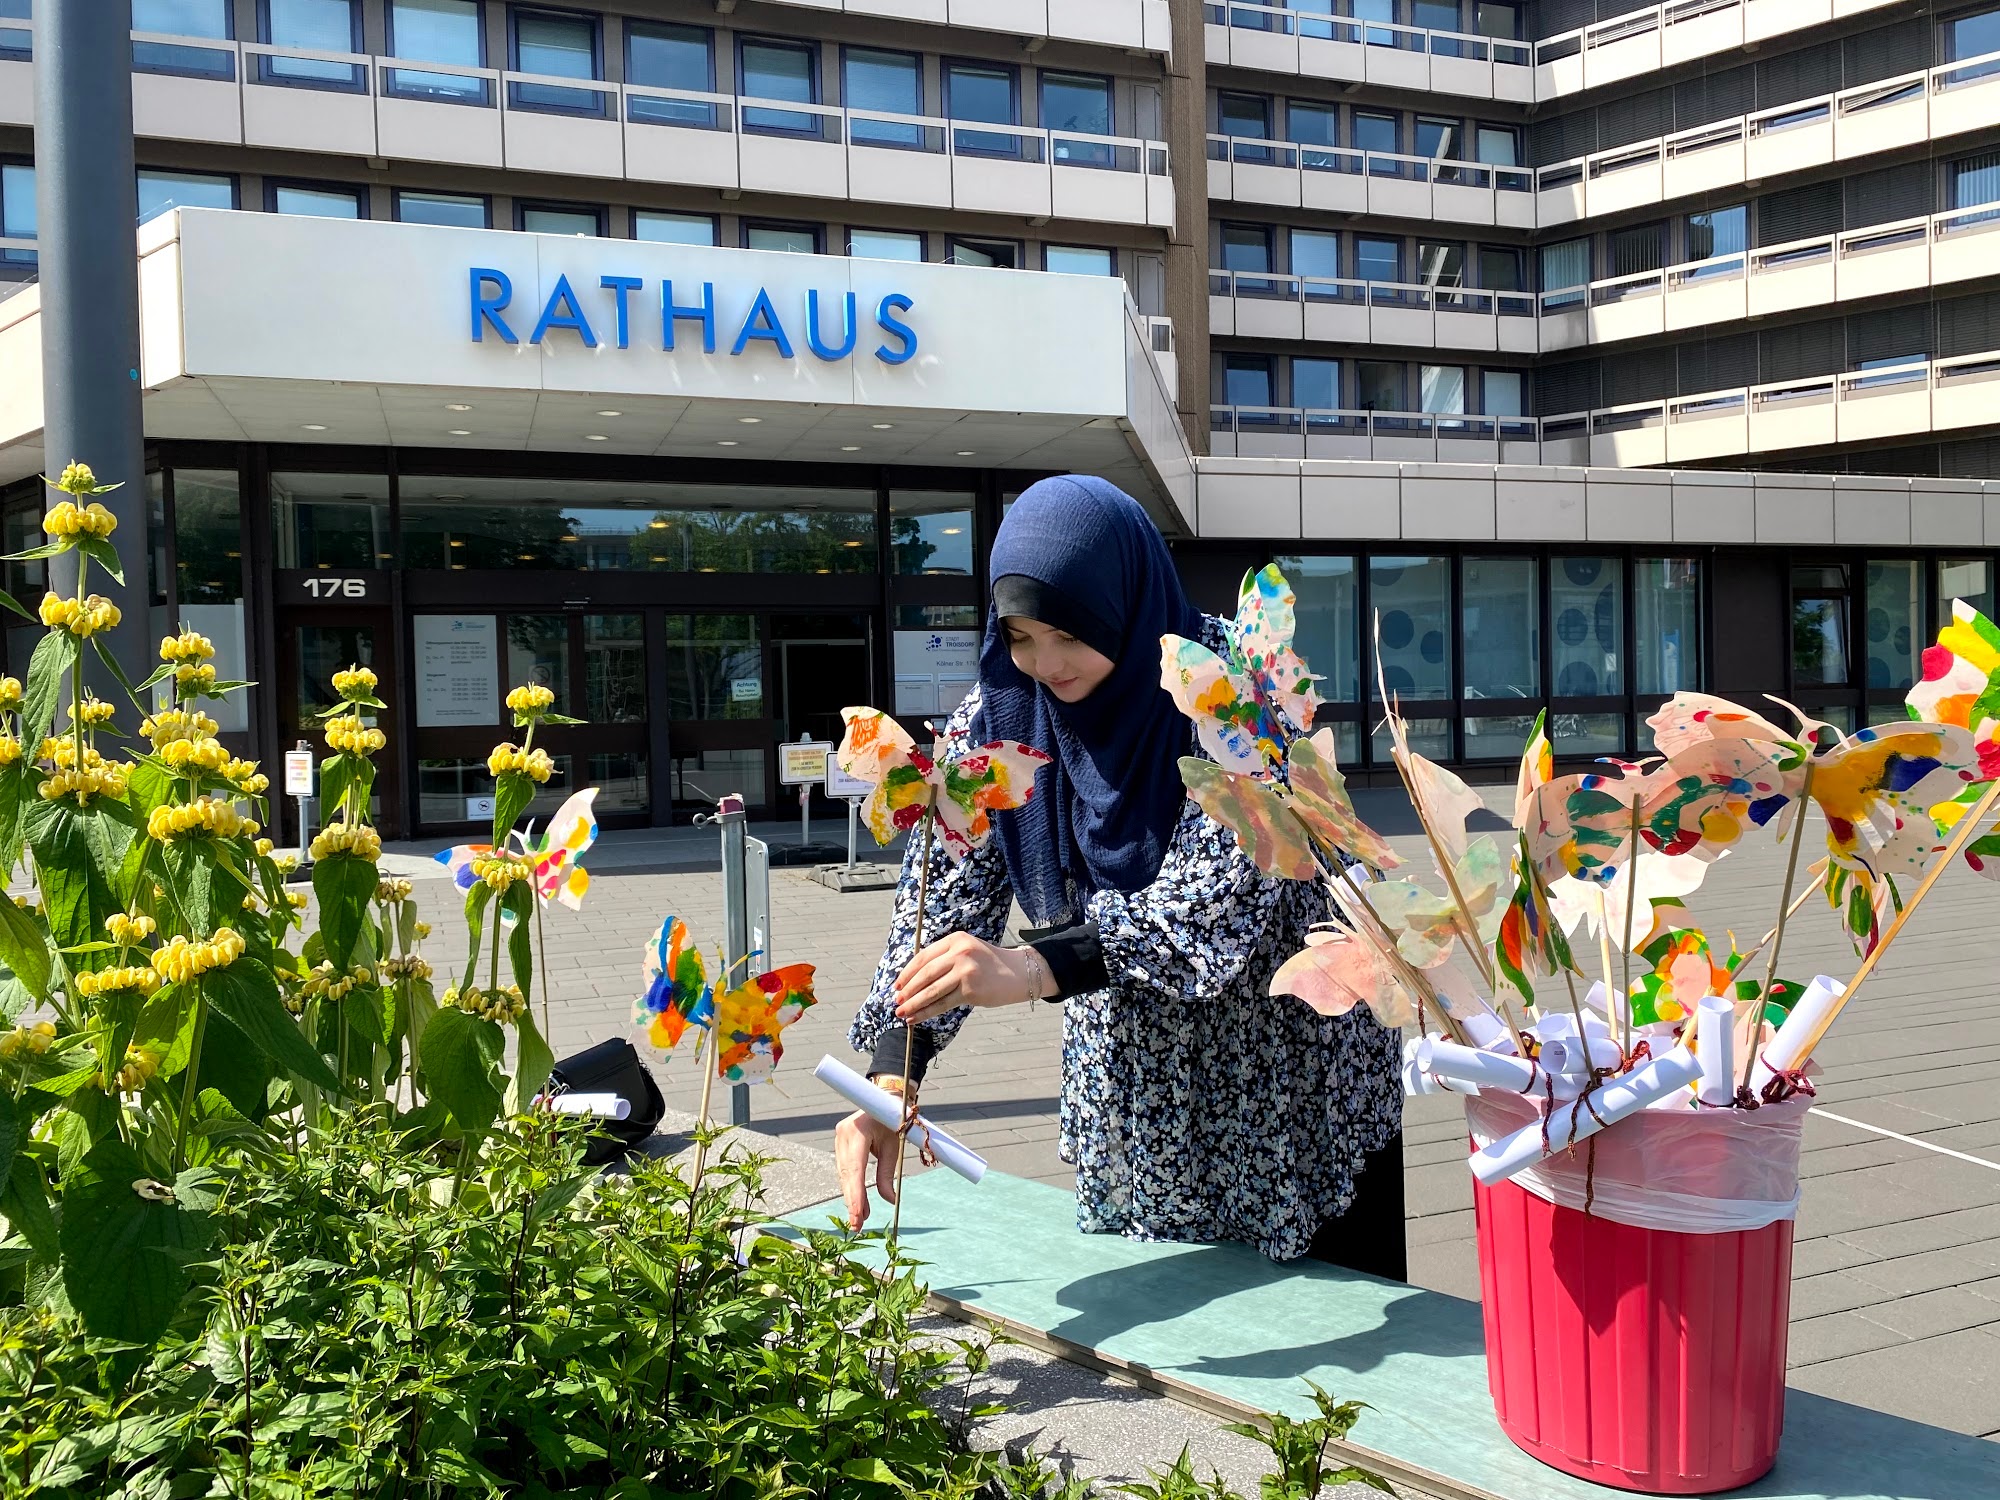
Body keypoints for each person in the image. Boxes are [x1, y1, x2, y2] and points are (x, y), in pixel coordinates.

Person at [834, 475, 1405, 1272]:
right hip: (1142, 1090)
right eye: (1023, 635)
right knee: (1169, 1353)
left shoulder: (1233, 690)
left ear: (1125, 602)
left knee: (1333, 1355)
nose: (1047, 663)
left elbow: (1206, 910)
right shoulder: (1004, 707)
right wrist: (893, 1072)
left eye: (1071, 633)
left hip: (1288, 1079)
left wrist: (1032, 965)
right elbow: (942, 900)